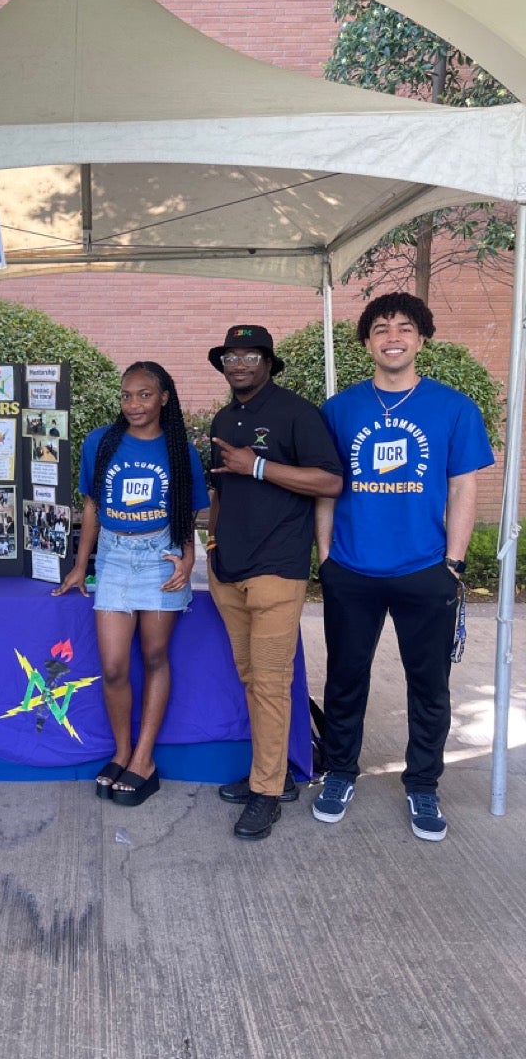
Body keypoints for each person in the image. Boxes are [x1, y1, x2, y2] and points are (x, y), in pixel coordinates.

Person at [312, 293, 493, 840]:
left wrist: (454, 563)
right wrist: (326, 559)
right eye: (382, 327)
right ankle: (341, 772)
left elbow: (464, 486)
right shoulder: (339, 410)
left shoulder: (453, 408)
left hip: (425, 569)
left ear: (421, 339)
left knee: (429, 686)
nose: (393, 336)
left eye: (405, 327)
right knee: (345, 679)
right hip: (352, 567)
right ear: (367, 342)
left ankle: (423, 784)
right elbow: (325, 490)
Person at [207, 325, 343, 840]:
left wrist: (258, 465)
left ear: (267, 361)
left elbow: (330, 480)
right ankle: (274, 770)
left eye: (248, 355)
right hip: (228, 572)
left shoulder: (295, 413)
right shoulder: (224, 417)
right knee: (253, 682)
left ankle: (267, 792)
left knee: (269, 685)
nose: (237, 363)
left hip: (277, 571)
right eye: (229, 356)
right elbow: (221, 488)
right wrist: (213, 542)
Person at [54, 361, 208, 806]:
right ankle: (121, 751)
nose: (134, 403)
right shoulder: (101, 442)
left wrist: (188, 556)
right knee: (115, 665)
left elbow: (189, 511)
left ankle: (144, 760)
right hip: (116, 558)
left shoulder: (180, 450)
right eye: (126, 395)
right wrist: (82, 565)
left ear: (163, 397)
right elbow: (91, 506)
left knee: (155, 656)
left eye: (144, 394)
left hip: (161, 556)